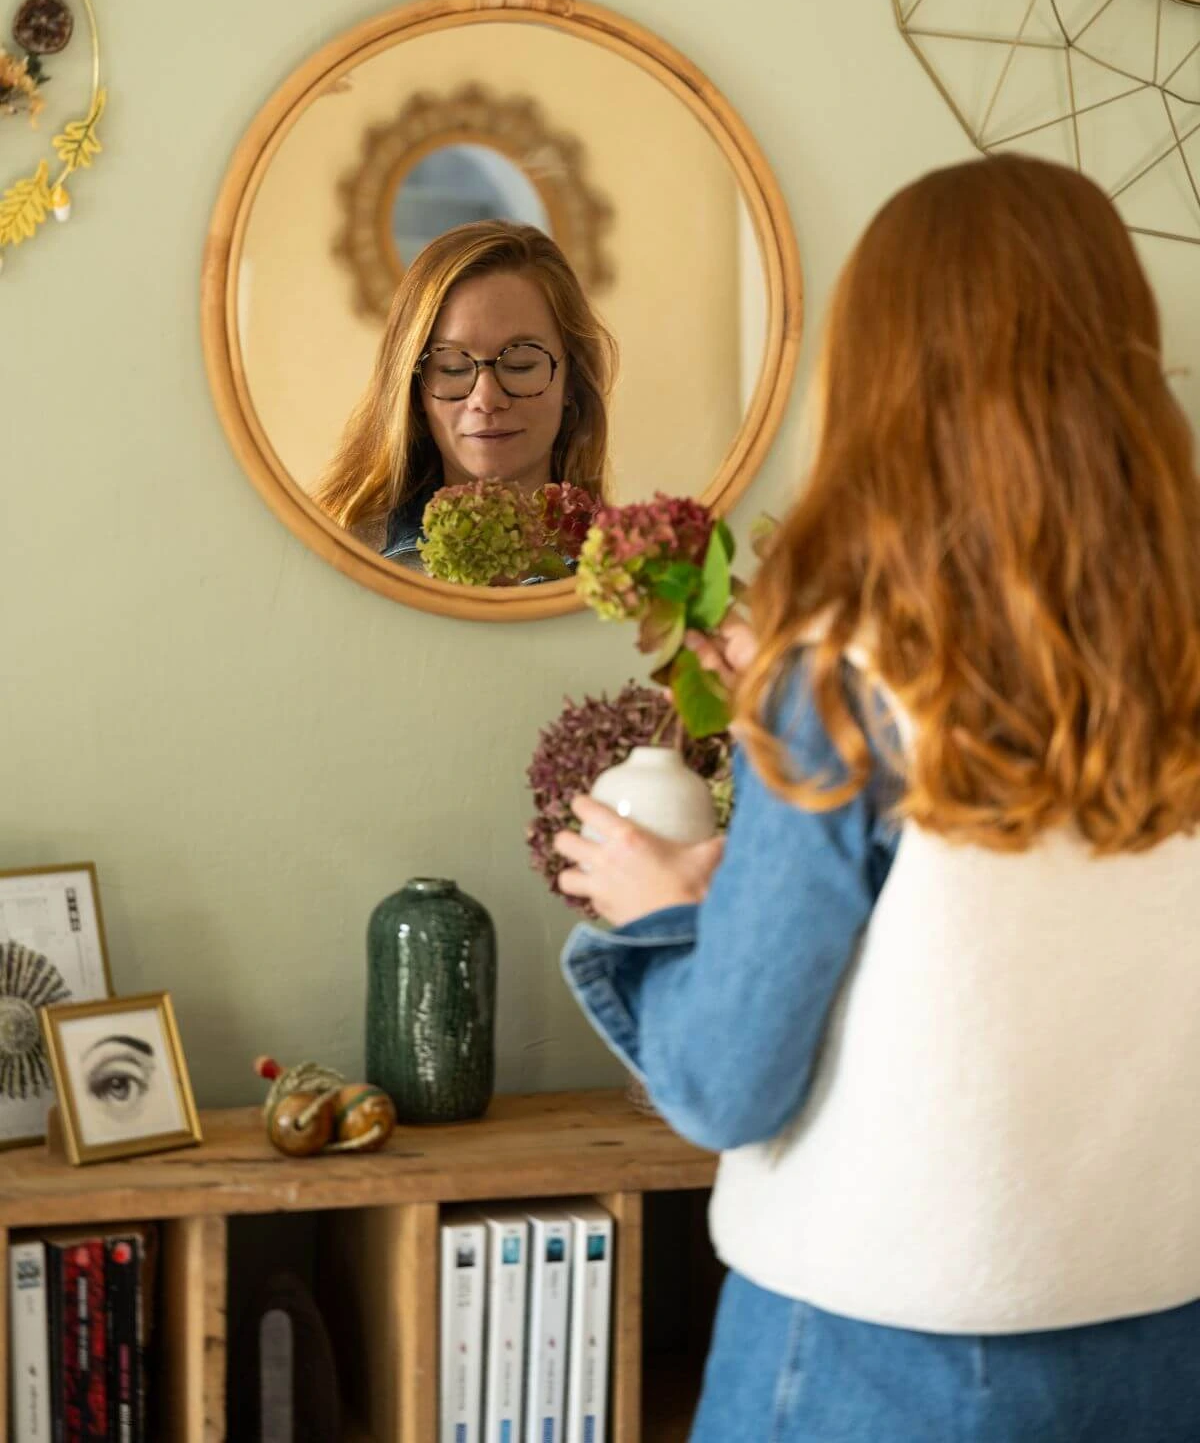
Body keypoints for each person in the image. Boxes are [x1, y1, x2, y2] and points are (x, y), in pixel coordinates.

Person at [558, 155, 1200, 1442]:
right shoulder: (1176, 660)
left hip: (876, 1353)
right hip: (1161, 1333)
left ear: (886, 377)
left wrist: (661, 911)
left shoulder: (852, 681)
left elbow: (728, 1082)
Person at [315, 221, 616, 569]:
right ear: (414, 393)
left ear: (573, 381)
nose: (486, 399)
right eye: (453, 368)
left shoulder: (630, 571)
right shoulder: (342, 557)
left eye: (519, 364)